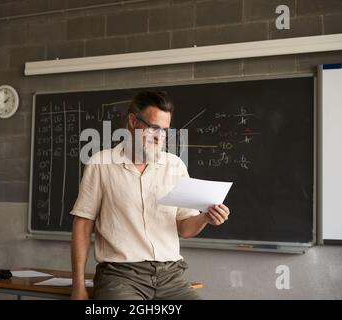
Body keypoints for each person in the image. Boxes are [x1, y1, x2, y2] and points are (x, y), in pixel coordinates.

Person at [70, 91, 230, 300]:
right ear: (133, 121)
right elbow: (82, 225)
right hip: (120, 277)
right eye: (154, 128)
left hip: (170, 277)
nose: (159, 137)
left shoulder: (175, 166)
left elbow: (185, 228)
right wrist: (78, 286)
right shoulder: (101, 164)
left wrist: (205, 218)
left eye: (164, 131)